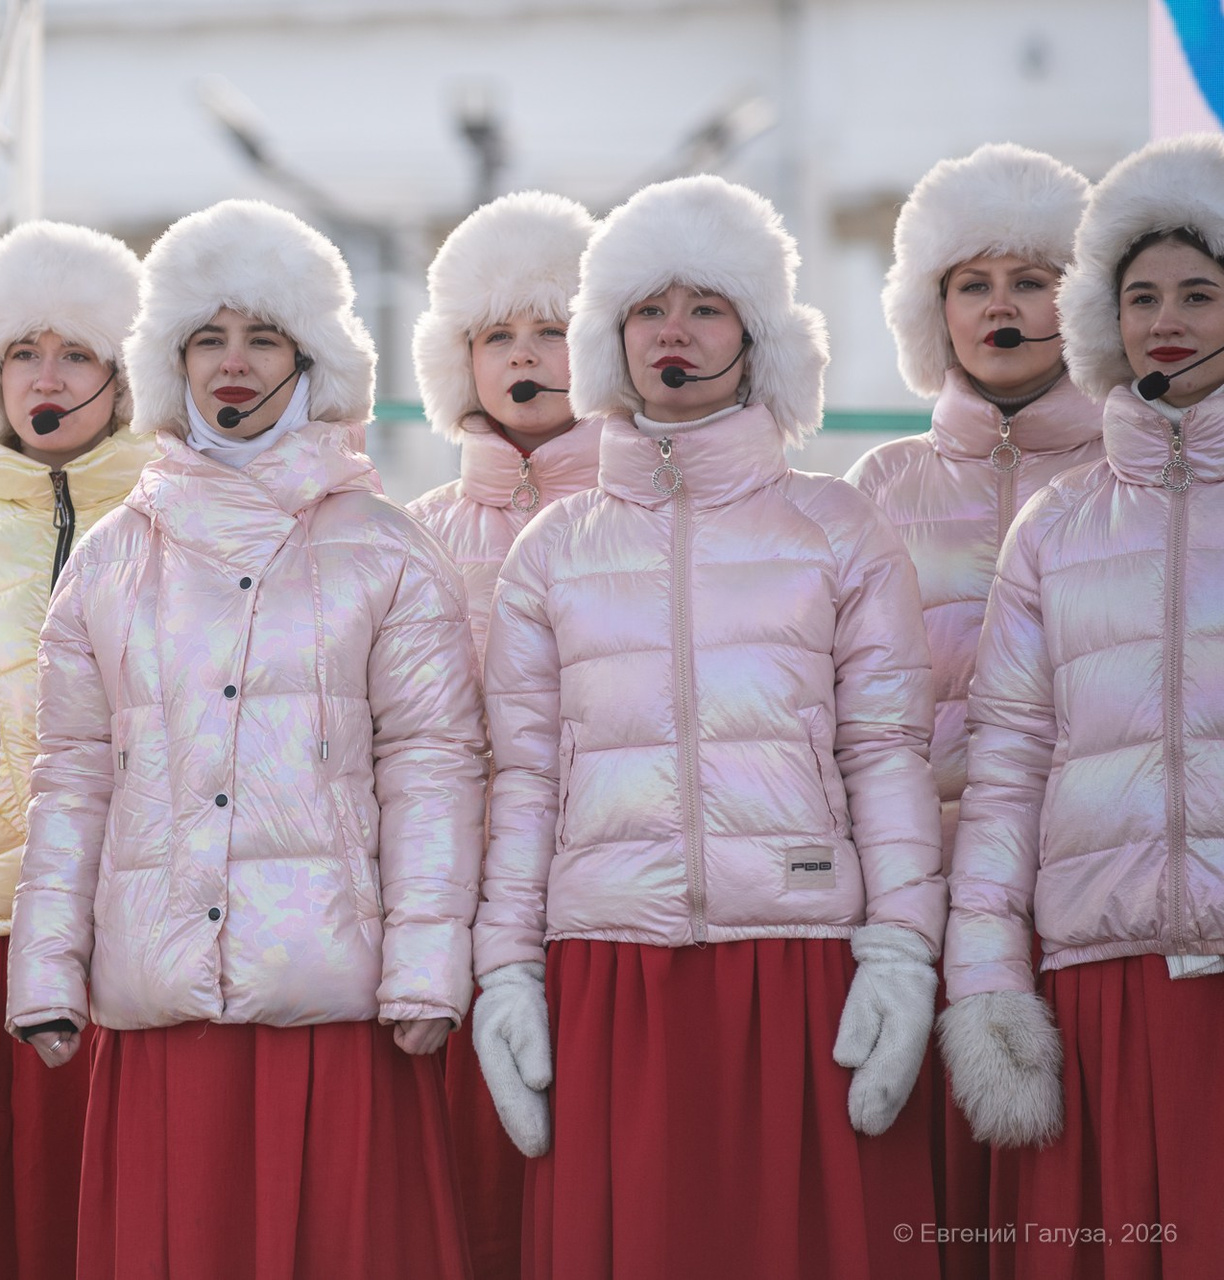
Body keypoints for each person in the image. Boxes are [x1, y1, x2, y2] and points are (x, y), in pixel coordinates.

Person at [6, 199, 488, 1280]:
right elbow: (70, 780)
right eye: (207, 338)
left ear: (311, 358)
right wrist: (46, 967)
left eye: (262, 337)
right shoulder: (109, 562)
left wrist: (427, 965)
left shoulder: (387, 550)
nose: (232, 363)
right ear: (169, 361)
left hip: (338, 1011)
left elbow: (433, 770)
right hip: (162, 1010)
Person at [475, 176, 944, 1280]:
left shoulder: (839, 526)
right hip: (608, 973)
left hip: (802, 964)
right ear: (612, 336)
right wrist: (505, 972)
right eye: (648, 308)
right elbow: (524, 778)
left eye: (706, 306)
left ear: (758, 335)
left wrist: (903, 948)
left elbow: (887, 754)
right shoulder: (551, 550)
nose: (673, 331)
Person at [943, 133, 1224, 1280]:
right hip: (1098, 975)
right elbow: (1007, 762)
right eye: (1142, 295)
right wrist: (986, 975)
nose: (1168, 318)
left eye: (1199, 293)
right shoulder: (1054, 525)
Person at [844, 142, 1098, 1280]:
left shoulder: (1130, 472)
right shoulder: (878, 487)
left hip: (1086, 886)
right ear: (930, 309)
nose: (1002, 307)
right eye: (972, 283)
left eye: (1031, 280)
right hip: (923, 892)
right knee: (927, 1202)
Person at [0, 220, 151, 1280]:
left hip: (130, 943)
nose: (46, 378)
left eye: (76, 353)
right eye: (22, 352)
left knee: (110, 1224)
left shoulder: (170, 521)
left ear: (124, 376)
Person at [405, 189, 597, 1280]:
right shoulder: (413, 536)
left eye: (551, 328)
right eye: (495, 335)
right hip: (461, 906)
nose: (523, 355)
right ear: (459, 362)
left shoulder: (638, 515)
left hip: (601, 900)